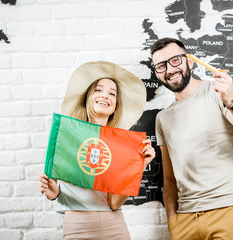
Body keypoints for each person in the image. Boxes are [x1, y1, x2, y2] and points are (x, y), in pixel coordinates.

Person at [151, 38, 233, 240]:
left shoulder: (218, 94)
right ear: (157, 73)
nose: (169, 69)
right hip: (185, 222)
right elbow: (169, 180)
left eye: (175, 60)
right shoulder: (162, 118)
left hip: (228, 211)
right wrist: (173, 222)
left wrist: (230, 98)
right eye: (161, 65)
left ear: (190, 61)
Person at [39, 61, 155, 240]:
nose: (105, 96)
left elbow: (115, 203)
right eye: (98, 90)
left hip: (114, 225)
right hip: (76, 226)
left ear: (115, 106)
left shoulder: (122, 146)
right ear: (88, 97)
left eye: (112, 93)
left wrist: (139, 165)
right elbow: (57, 184)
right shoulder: (66, 134)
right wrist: (55, 193)